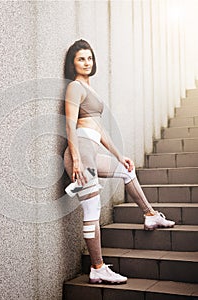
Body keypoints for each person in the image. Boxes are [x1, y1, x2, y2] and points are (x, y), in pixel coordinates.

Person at [63, 39, 175, 284]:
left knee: (126, 171)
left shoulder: (90, 89)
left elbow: (100, 130)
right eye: (81, 58)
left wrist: (118, 155)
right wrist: (77, 160)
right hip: (81, 151)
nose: (87, 62)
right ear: (73, 63)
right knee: (92, 210)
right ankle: (97, 267)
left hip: (91, 150)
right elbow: (70, 125)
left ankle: (150, 214)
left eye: (89, 57)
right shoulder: (74, 87)